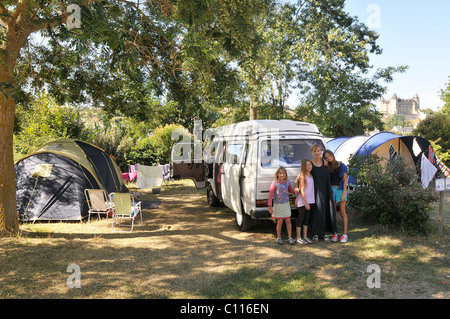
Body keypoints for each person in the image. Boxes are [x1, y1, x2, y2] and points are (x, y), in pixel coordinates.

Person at [309, 144, 337, 242]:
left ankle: (325, 233)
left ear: (321, 152)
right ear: (312, 153)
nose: (317, 153)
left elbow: (335, 166)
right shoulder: (310, 164)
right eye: (315, 151)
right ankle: (315, 234)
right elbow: (303, 175)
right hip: (314, 191)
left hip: (325, 190)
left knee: (325, 210)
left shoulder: (325, 163)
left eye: (319, 151)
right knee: (315, 212)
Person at [323, 150, 349, 243]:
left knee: (342, 212)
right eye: (326, 157)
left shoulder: (341, 165)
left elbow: (345, 180)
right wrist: (324, 162)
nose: (328, 158)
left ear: (332, 155)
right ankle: (335, 233)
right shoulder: (327, 167)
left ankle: (345, 235)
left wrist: (343, 194)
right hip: (331, 190)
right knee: (333, 213)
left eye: (329, 156)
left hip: (340, 190)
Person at [268, 167, 295, 245]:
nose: (282, 175)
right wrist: (270, 206)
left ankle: (290, 237)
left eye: (283, 173)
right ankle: (279, 237)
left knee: (288, 221)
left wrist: (295, 191)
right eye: (280, 173)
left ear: (285, 174)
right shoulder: (275, 183)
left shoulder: (287, 182)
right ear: (277, 174)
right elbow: (270, 195)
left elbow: (289, 189)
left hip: (286, 204)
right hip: (278, 204)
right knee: (279, 221)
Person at [294, 159, 315, 244]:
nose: (309, 166)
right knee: (301, 218)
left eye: (310, 164)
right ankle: (298, 237)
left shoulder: (311, 175)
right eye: (307, 165)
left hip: (310, 200)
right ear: (304, 167)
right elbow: (302, 190)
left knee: (307, 219)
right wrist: (306, 203)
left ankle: (305, 236)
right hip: (303, 201)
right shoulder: (303, 176)